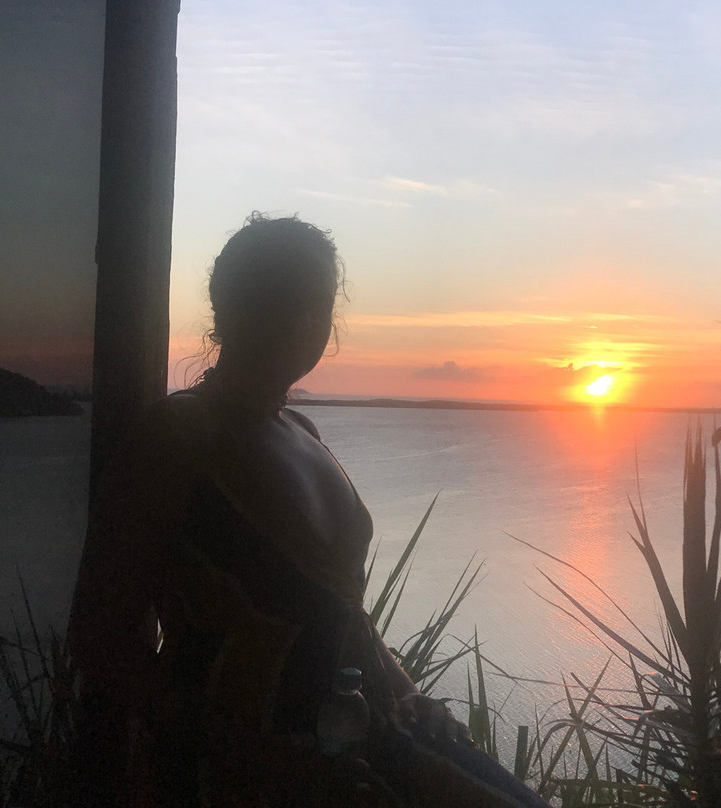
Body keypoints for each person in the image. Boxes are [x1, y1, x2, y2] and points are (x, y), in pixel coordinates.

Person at [70, 214, 550, 807]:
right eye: (279, 296)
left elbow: (342, 609)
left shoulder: (303, 430)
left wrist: (408, 692)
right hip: (239, 776)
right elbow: (99, 635)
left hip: (362, 739)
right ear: (227, 305)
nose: (301, 320)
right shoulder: (179, 432)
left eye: (316, 303)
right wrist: (251, 756)